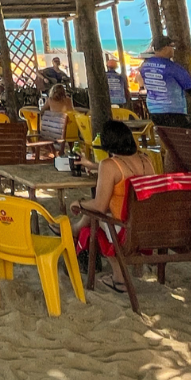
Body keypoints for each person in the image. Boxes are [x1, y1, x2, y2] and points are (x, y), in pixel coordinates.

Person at [70, 121, 156, 293]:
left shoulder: (109, 165)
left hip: (125, 229)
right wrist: (93, 166)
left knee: (93, 212)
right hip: (149, 228)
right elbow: (124, 168)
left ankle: (75, 230)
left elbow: (99, 206)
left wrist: (78, 203)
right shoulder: (146, 160)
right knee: (99, 212)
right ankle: (118, 277)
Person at [138, 38, 191, 128]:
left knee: (167, 137)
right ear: (165, 48)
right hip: (174, 111)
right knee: (182, 137)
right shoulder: (172, 68)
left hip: (153, 110)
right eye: (172, 46)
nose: (173, 50)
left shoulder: (144, 66)